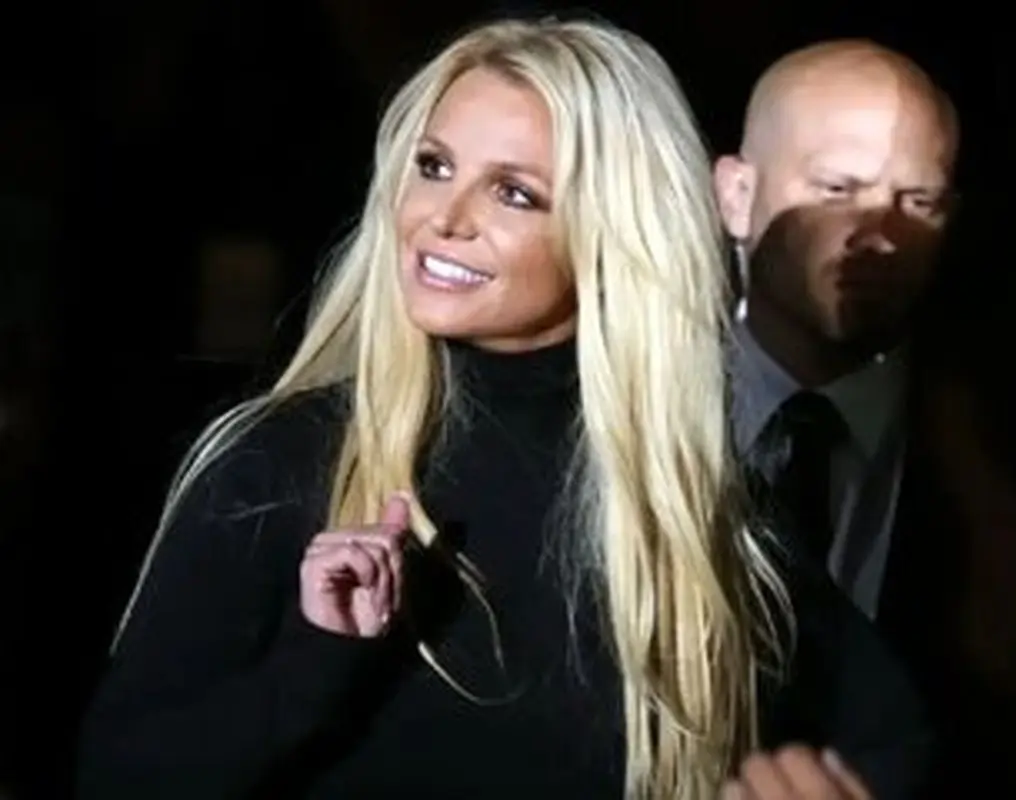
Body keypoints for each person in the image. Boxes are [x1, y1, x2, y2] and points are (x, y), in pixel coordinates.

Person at [77, 18, 930, 799]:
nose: (443, 218)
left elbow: (897, 743)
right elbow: (116, 778)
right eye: (433, 166)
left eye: (513, 193)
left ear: (610, 230)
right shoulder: (280, 462)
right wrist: (317, 661)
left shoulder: (689, 507)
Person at [713, 40, 962, 684]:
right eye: (836, 189)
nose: (880, 235)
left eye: (919, 202)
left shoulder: (994, 459)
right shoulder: (618, 403)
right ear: (737, 196)